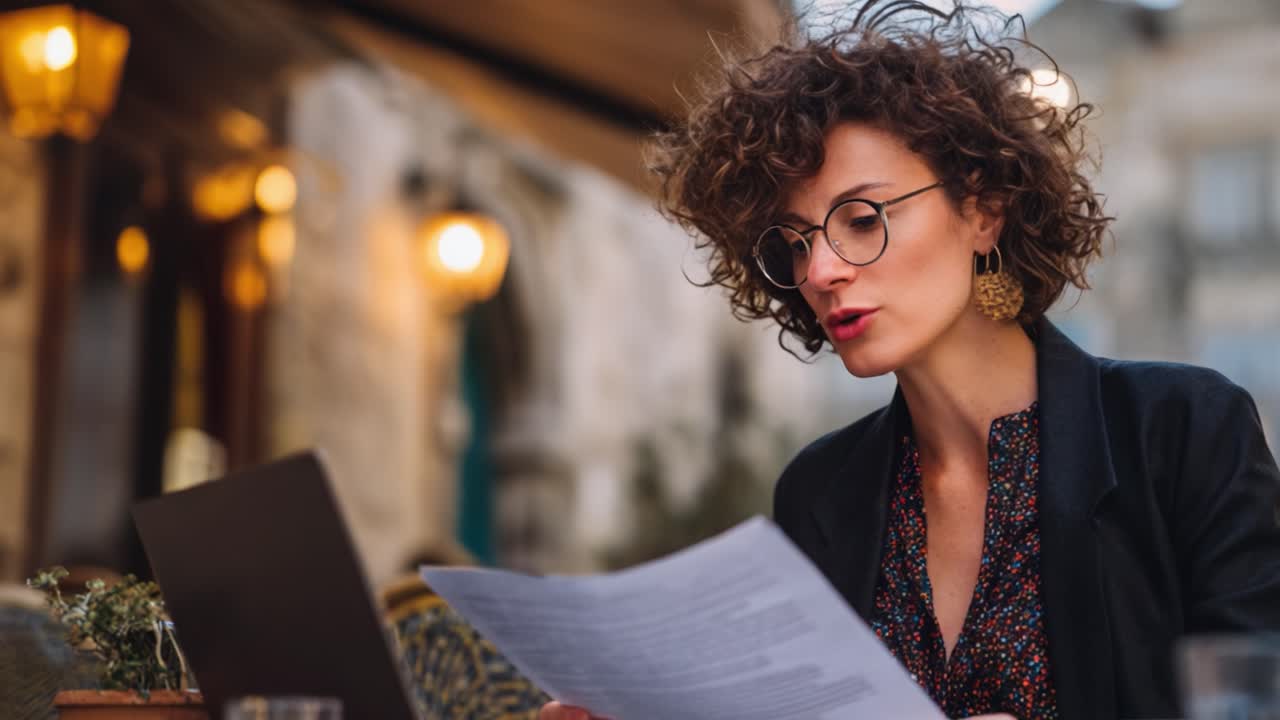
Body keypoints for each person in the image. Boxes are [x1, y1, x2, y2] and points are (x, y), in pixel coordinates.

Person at [541, 1, 1280, 718]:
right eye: (794, 243)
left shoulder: (1182, 432)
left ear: (983, 210)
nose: (821, 270)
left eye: (862, 220)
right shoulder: (820, 492)